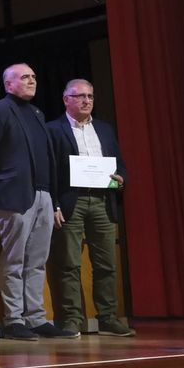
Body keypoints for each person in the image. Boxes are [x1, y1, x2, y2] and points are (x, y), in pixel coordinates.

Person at [0, 63, 75, 341]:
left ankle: (36, 318)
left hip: (43, 196)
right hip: (14, 196)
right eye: (24, 77)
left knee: (37, 261)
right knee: (15, 259)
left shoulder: (37, 113)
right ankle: (14, 319)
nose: (32, 81)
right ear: (9, 84)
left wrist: (53, 200)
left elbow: (47, 160)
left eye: (34, 77)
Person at [46, 79, 133, 337]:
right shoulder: (53, 130)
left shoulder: (104, 129)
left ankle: (107, 318)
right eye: (80, 96)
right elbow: (49, 171)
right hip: (71, 202)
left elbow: (120, 165)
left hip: (102, 201)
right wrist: (54, 203)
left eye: (90, 96)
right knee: (69, 264)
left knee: (106, 265)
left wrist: (121, 179)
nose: (86, 101)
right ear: (66, 100)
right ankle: (72, 319)